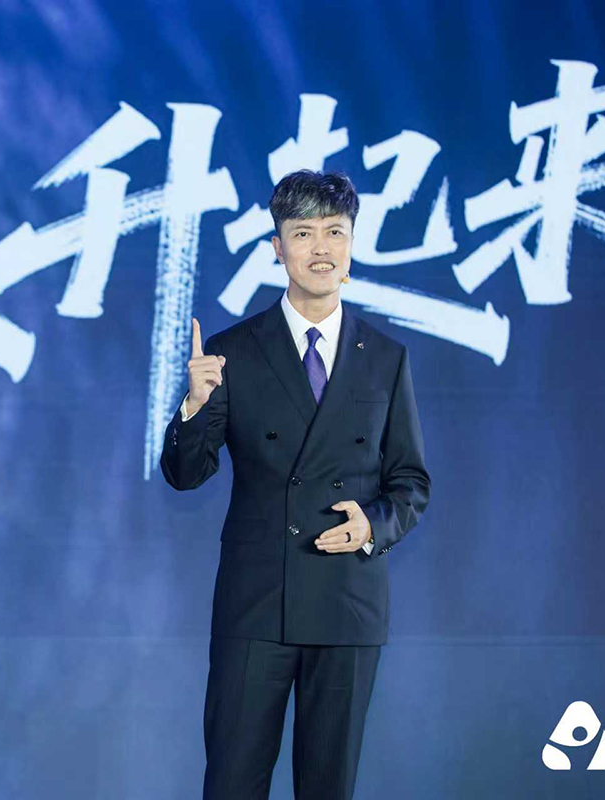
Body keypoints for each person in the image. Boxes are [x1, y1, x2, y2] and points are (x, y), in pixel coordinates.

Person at [160, 169, 432, 800]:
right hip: (257, 601)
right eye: (303, 233)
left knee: (328, 788)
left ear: (352, 244)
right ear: (277, 247)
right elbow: (185, 475)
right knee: (232, 783)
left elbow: (410, 481)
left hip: (346, 602)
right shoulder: (232, 351)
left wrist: (372, 526)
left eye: (335, 232)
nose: (321, 248)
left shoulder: (385, 357)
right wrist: (194, 405)